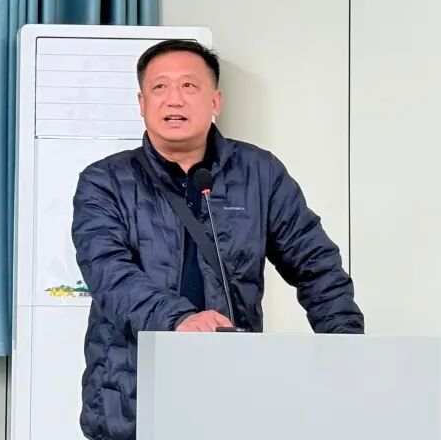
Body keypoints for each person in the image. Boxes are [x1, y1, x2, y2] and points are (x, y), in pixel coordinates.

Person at [71, 39, 364, 440]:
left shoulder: (260, 173)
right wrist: (178, 320)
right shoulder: (104, 181)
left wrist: (347, 351)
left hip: (231, 388)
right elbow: (108, 272)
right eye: (160, 87)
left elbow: (316, 266)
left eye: (189, 86)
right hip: (131, 391)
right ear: (141, 103)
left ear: (215, 101)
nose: (174, 98)